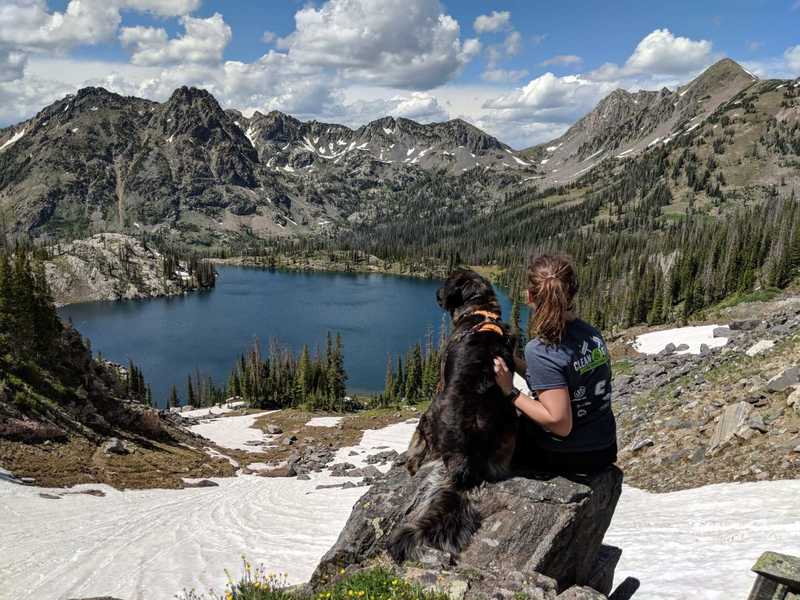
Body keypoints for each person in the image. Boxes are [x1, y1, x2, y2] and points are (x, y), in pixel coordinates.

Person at [493, 254, 617, 474]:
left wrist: (509, 391)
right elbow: (562, 378)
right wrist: (516, 363)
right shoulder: (589, 333)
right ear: (572, 292)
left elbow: (559, 423)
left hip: (572, 455)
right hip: (604, 446)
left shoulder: (542, 350)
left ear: (530, 296)